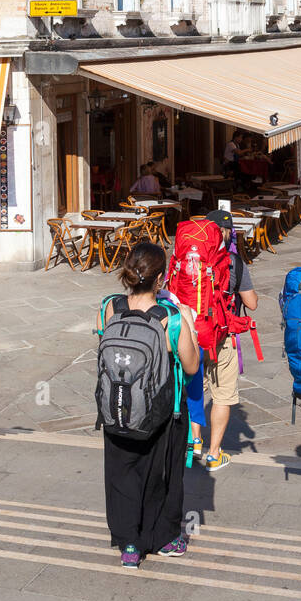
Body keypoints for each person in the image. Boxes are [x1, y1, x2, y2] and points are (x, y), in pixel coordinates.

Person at [97, 241, 199, 568]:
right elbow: (193, 365)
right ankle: (162, 538)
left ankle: (128, 545)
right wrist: (189, 323)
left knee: (122, 473)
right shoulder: (171, 317)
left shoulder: (109, 306)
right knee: (159, 475)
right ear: (160, 280)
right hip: (161, 411)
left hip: (116, 405)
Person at [189, 209, 259, 471]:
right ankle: (214, 453)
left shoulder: (189, 258)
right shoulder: (233, 262)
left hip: (192, 335)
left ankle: (194, 442)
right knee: (222, 396)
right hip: (221, 336)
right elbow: (251, 304)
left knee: (195, 388)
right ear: (229, 233)